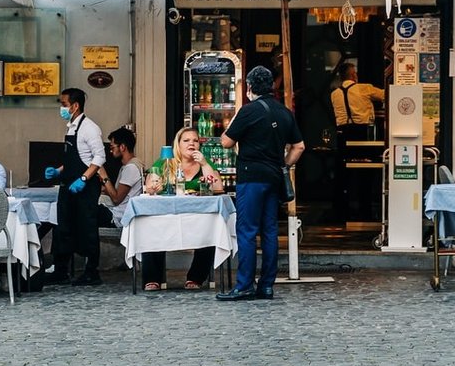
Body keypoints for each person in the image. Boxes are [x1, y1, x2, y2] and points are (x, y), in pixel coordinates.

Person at [217, 65, 304, 301]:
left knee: (246, 231)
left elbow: (226, 142)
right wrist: (284, 165)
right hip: (274, 177)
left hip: (251, 176)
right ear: (272, 87)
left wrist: (236, 116)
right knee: (270, 231)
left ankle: (244, 284)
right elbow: (299, 146)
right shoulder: (285, 112)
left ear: (250, 87)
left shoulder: (248, 111)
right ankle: (266, 285)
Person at [141, 127, 223, 291]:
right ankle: (152, 278)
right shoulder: (166, 162)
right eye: (186, 140)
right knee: (150, 229)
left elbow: (217, 187)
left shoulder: (205, 163)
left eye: (195, 140)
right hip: (167, 217)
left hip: (197, 217)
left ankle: (196, 277)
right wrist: (153, 188)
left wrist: (204, 164)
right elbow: (149, 186)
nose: (191, 144)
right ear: (178, 144)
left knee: (209, 230)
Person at [44, 87, 106, 286]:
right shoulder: (71, 127)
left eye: (64, 104)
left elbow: (99, 157)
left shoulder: (90, 128)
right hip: (67, 184)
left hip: (85, 188)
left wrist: (84, 179)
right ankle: (61, 269)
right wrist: (58, 171)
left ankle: (91, 271)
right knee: (64, 227)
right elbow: (75, 157)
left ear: (75, 105)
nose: (61, 108)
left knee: (86, 227)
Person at [96, 127, 144, 228]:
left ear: (122, 147)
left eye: (112, 148)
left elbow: (117, 199)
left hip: (118, 217)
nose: (111, 151)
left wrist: (104, 177)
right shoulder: (129, 165)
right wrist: (104, 189)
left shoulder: (131, 168)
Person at [330, 63, 385, 138]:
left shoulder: (334, 94)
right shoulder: (364, 88)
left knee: (344, 149)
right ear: (353, 75)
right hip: (362, 131)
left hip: (342, 132)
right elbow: (386, 95)